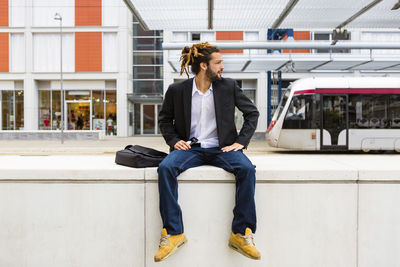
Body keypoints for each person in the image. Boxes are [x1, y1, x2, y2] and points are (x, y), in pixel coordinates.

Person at [154, 42, 260, 262]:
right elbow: (164, 120)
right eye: (218, 63)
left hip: (223, 148)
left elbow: (252, 113)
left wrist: (241, 142)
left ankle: (240, 233)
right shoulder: (177, 90)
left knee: (247, 169)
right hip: (191, 148)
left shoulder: (228, 87)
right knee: (165, 168)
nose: (222, 67)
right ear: (204, 65)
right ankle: (174, 233)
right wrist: (174, 141)